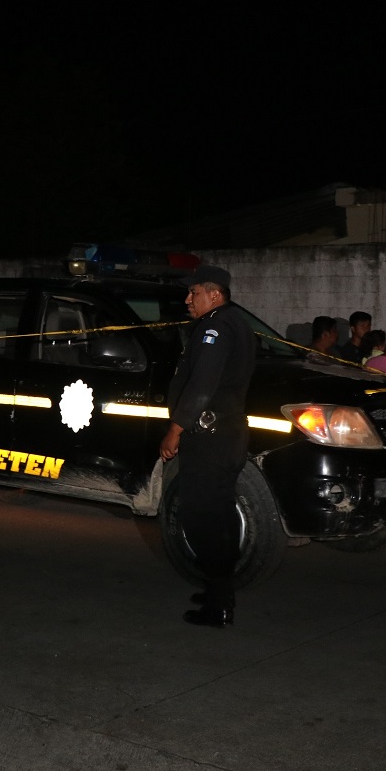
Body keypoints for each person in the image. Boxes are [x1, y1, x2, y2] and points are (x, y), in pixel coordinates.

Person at [159, 266, 255, 629]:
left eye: (193, 292)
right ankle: (219, 590)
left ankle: (219, 606)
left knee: (201, 519)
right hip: (227, 434)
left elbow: (202, 384)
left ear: (214, 295)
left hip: (210, 437)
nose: (187, 299)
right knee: (220, 516)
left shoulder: (214, 327)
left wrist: (175, 429)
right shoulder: (237, 322)